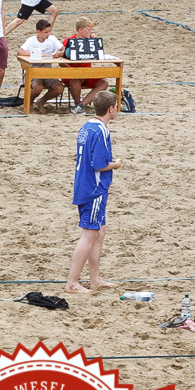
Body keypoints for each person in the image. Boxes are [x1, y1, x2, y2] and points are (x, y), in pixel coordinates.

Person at [68, 90, 121, 294]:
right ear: (111, 108)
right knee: (90, 234)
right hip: (94, 188)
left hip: (84, 183)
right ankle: (72, 282)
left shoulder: (87, 126)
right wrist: (115, 165)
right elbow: (99, 164)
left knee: (99, 231)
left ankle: (95, 279)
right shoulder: (101, 131)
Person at [19, 19, 67, 113]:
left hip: (47, 71)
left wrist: (59, 54)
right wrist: (37, 54)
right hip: (33, 70)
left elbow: (64, 50)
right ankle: (30, 102)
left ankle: (42, 101)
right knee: (38, 86)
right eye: (46, 32)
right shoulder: (31, 40)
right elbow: (20, 51)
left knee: (59, 87)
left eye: (49, 31)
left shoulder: (52, 39)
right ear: (39, 31)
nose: (48, 34)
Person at [62, 17, 109, 114]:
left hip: (87, 73)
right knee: (76, 79)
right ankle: (77, 103)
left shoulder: (91, 41)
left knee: (104, 82)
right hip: (72, 73)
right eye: (89, 30)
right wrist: (73, 71)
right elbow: (61, 61)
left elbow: (98, 56)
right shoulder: (69, 40)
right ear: (80, 30)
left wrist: (95, 43)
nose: (91, 32)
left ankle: (81, 105)